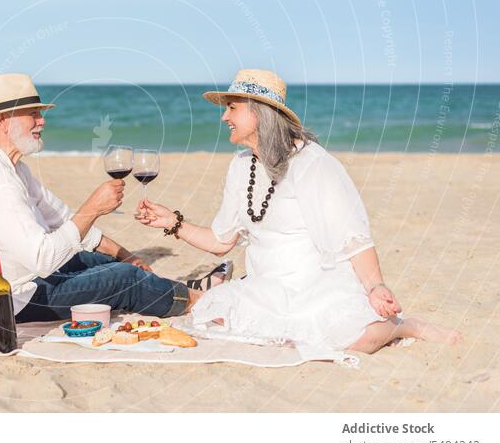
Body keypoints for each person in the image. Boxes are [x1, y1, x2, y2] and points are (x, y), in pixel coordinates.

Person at [135, 69, 462, 358]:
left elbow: (352, 237)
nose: (224, 117)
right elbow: (222, 242)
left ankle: (406, 326)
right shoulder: (240, 167)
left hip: (316, 283)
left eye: (232, 108)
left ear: (259, 113)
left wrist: (375, 286)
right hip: (267, 287)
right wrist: (172, 223)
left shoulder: (312, 163)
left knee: (361, 339)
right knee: (213, 317)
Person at [0, 73, 215, 323]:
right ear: (3, 121)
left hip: (27, 275)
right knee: (125, 280)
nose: (42, 121)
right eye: (33, 114)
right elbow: (43, 259)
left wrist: (125, 255)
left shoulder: (10, 167)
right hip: (11, 298)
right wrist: (92, 209)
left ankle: (178, 290)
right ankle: (203, 302)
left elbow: (61, 218)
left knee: (111, 263)